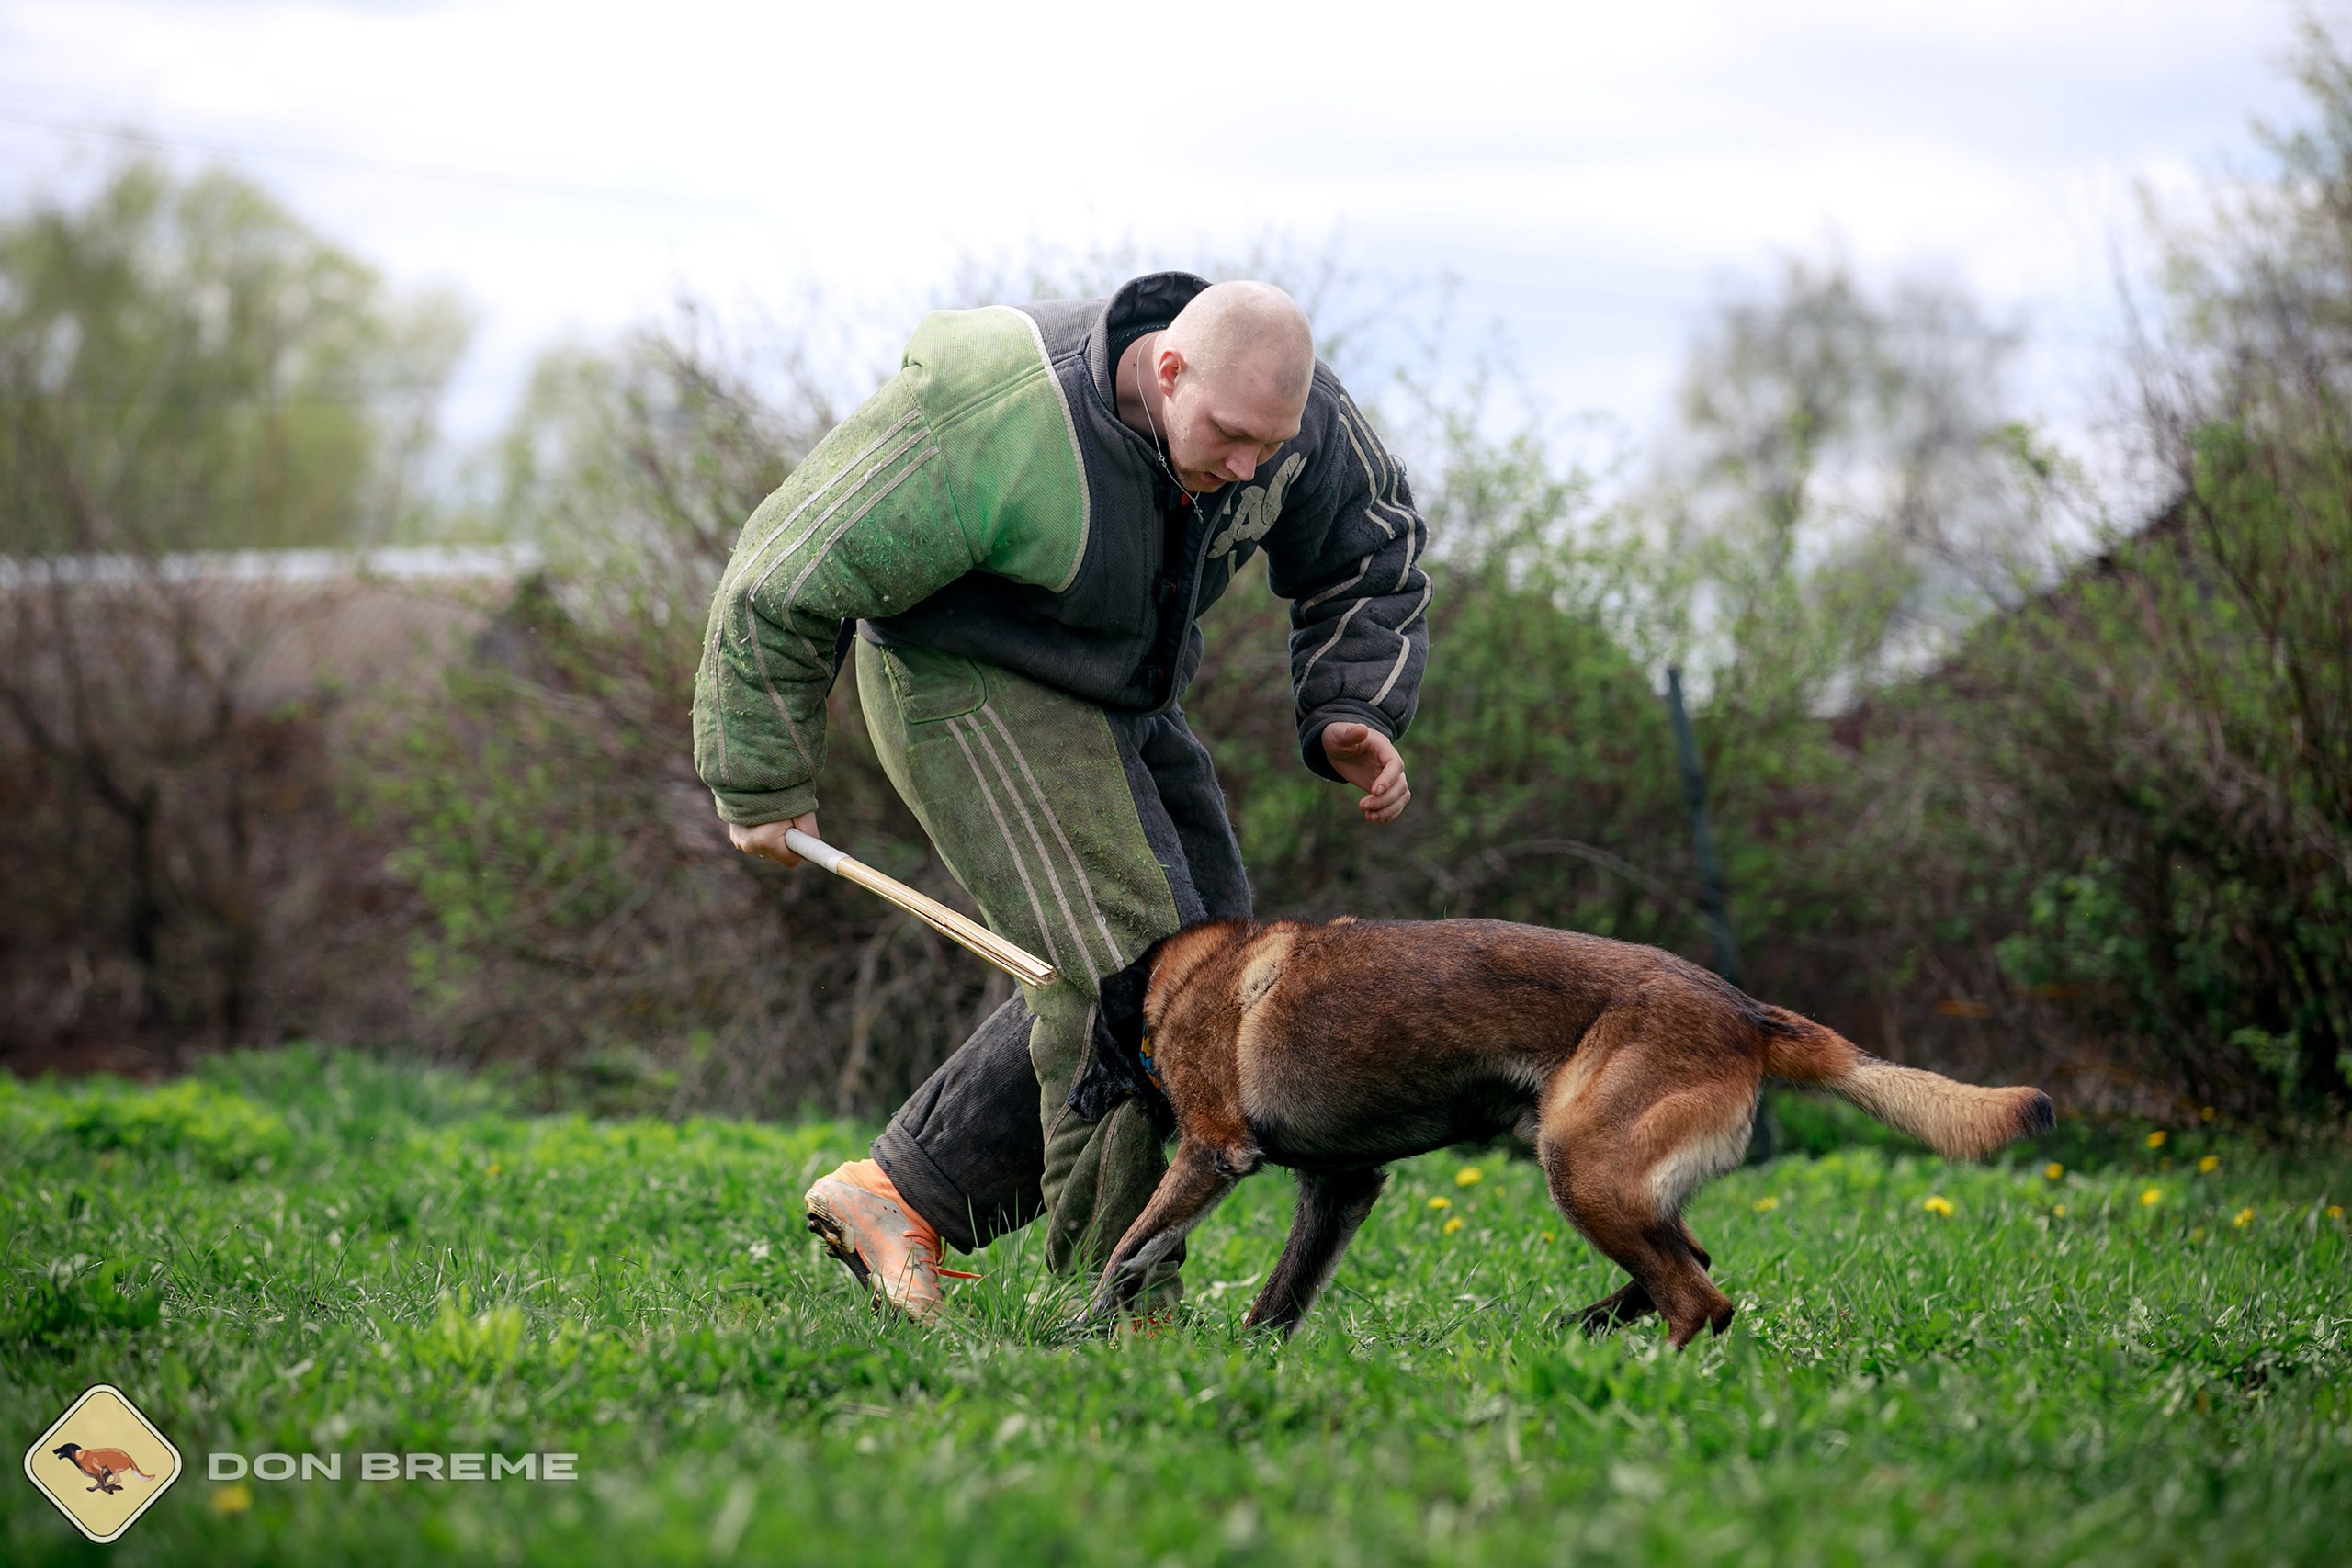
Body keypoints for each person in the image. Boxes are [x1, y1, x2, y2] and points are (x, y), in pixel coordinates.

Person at [693, 272, 1430, 1317]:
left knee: (1208, 978)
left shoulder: (1284, 414)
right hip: (960, 678)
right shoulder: (993, 405)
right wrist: (760, 773)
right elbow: (783, 569)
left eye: (1267, 446)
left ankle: (900, 1197)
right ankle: (1118, 1303)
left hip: (1121, 692)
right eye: (1227, 436)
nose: (1247, 467)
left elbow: (1376, 543)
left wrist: (1351, 706)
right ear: (1168, 369)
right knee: (1134, 982)